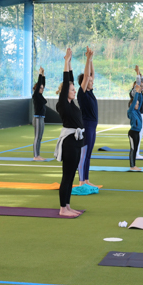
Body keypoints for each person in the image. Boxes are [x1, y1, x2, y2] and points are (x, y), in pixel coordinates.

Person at [53, 48, 85, 217]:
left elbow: (70, 80)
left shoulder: (71, 103)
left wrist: (70, 62)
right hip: (69, 143)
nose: (74, 91)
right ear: (66, 92)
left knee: (72, 175)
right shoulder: (63, 104)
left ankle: (68, 206)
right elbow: (67, 81)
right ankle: (62, 209)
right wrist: (66, 61)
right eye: (72, 90)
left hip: (76, 142)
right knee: (67, 176)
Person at [77, 47, 99, 187]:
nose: (92, 81)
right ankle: (81, 181)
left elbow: (91, 74)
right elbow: (86, 76)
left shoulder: (90, 92)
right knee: (84, 154)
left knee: (89, 153)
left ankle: (86, 180)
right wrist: (87, 59)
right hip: (87, 125)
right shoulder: (82, 93)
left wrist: (91, 60)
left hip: (92, 126)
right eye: (90, 81)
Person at [127, 77, 143, 172]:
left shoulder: (137, 111)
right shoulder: (130, 111)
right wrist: (137, 92)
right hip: (132, 132)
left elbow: (140, 101)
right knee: (133, 149)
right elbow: (135, 100)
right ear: (131, 105)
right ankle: (132, 166)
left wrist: (140, 92)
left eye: (138, 104)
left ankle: (134, 165)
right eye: (136, 104)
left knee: (135, 149)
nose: (137, 105)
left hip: (137, 132)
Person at [32, 67, 47, 161]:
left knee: (40, 137)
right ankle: (35, 156)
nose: (42, 89)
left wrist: (43, 74)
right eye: (40, 88)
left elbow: (42, 84)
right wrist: (40, 74)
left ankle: (38, 155)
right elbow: (39, 84)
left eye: (42, 88)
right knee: (37, 137)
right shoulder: (36, 95)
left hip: (41, 118)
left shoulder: (40, 96)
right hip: (37, 118)